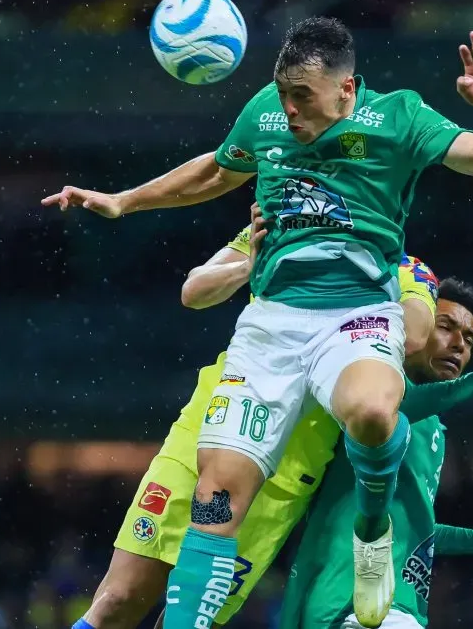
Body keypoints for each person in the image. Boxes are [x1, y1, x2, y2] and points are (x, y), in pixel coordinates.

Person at [43, 15, 473, 627]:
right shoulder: (266, 115)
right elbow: (219, 171)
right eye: (285, 95)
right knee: (214, 503)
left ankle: (370, 533)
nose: (290, 111)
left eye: (304, 97)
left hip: (355, 316)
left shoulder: (399, 115)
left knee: (374, 413)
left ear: (347, 90)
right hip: (270, 327)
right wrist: (124, 200)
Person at [78, 213, 442, 629]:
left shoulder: (405, 268)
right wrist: (251, 266)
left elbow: (413, 336)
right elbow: (194, 291)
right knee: (118, 599)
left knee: (191, 622)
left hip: (285, 481)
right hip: (209, 438)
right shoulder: (276, 225)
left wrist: (349, 287)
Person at [279, 278, 473, 629]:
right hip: (348, 603)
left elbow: (411, 528)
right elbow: (393, 406)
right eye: (445, 327)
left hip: (394, 608)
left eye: (470, 338)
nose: (458, 344)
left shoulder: (433, 430)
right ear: (413, 330)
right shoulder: (368, 392)